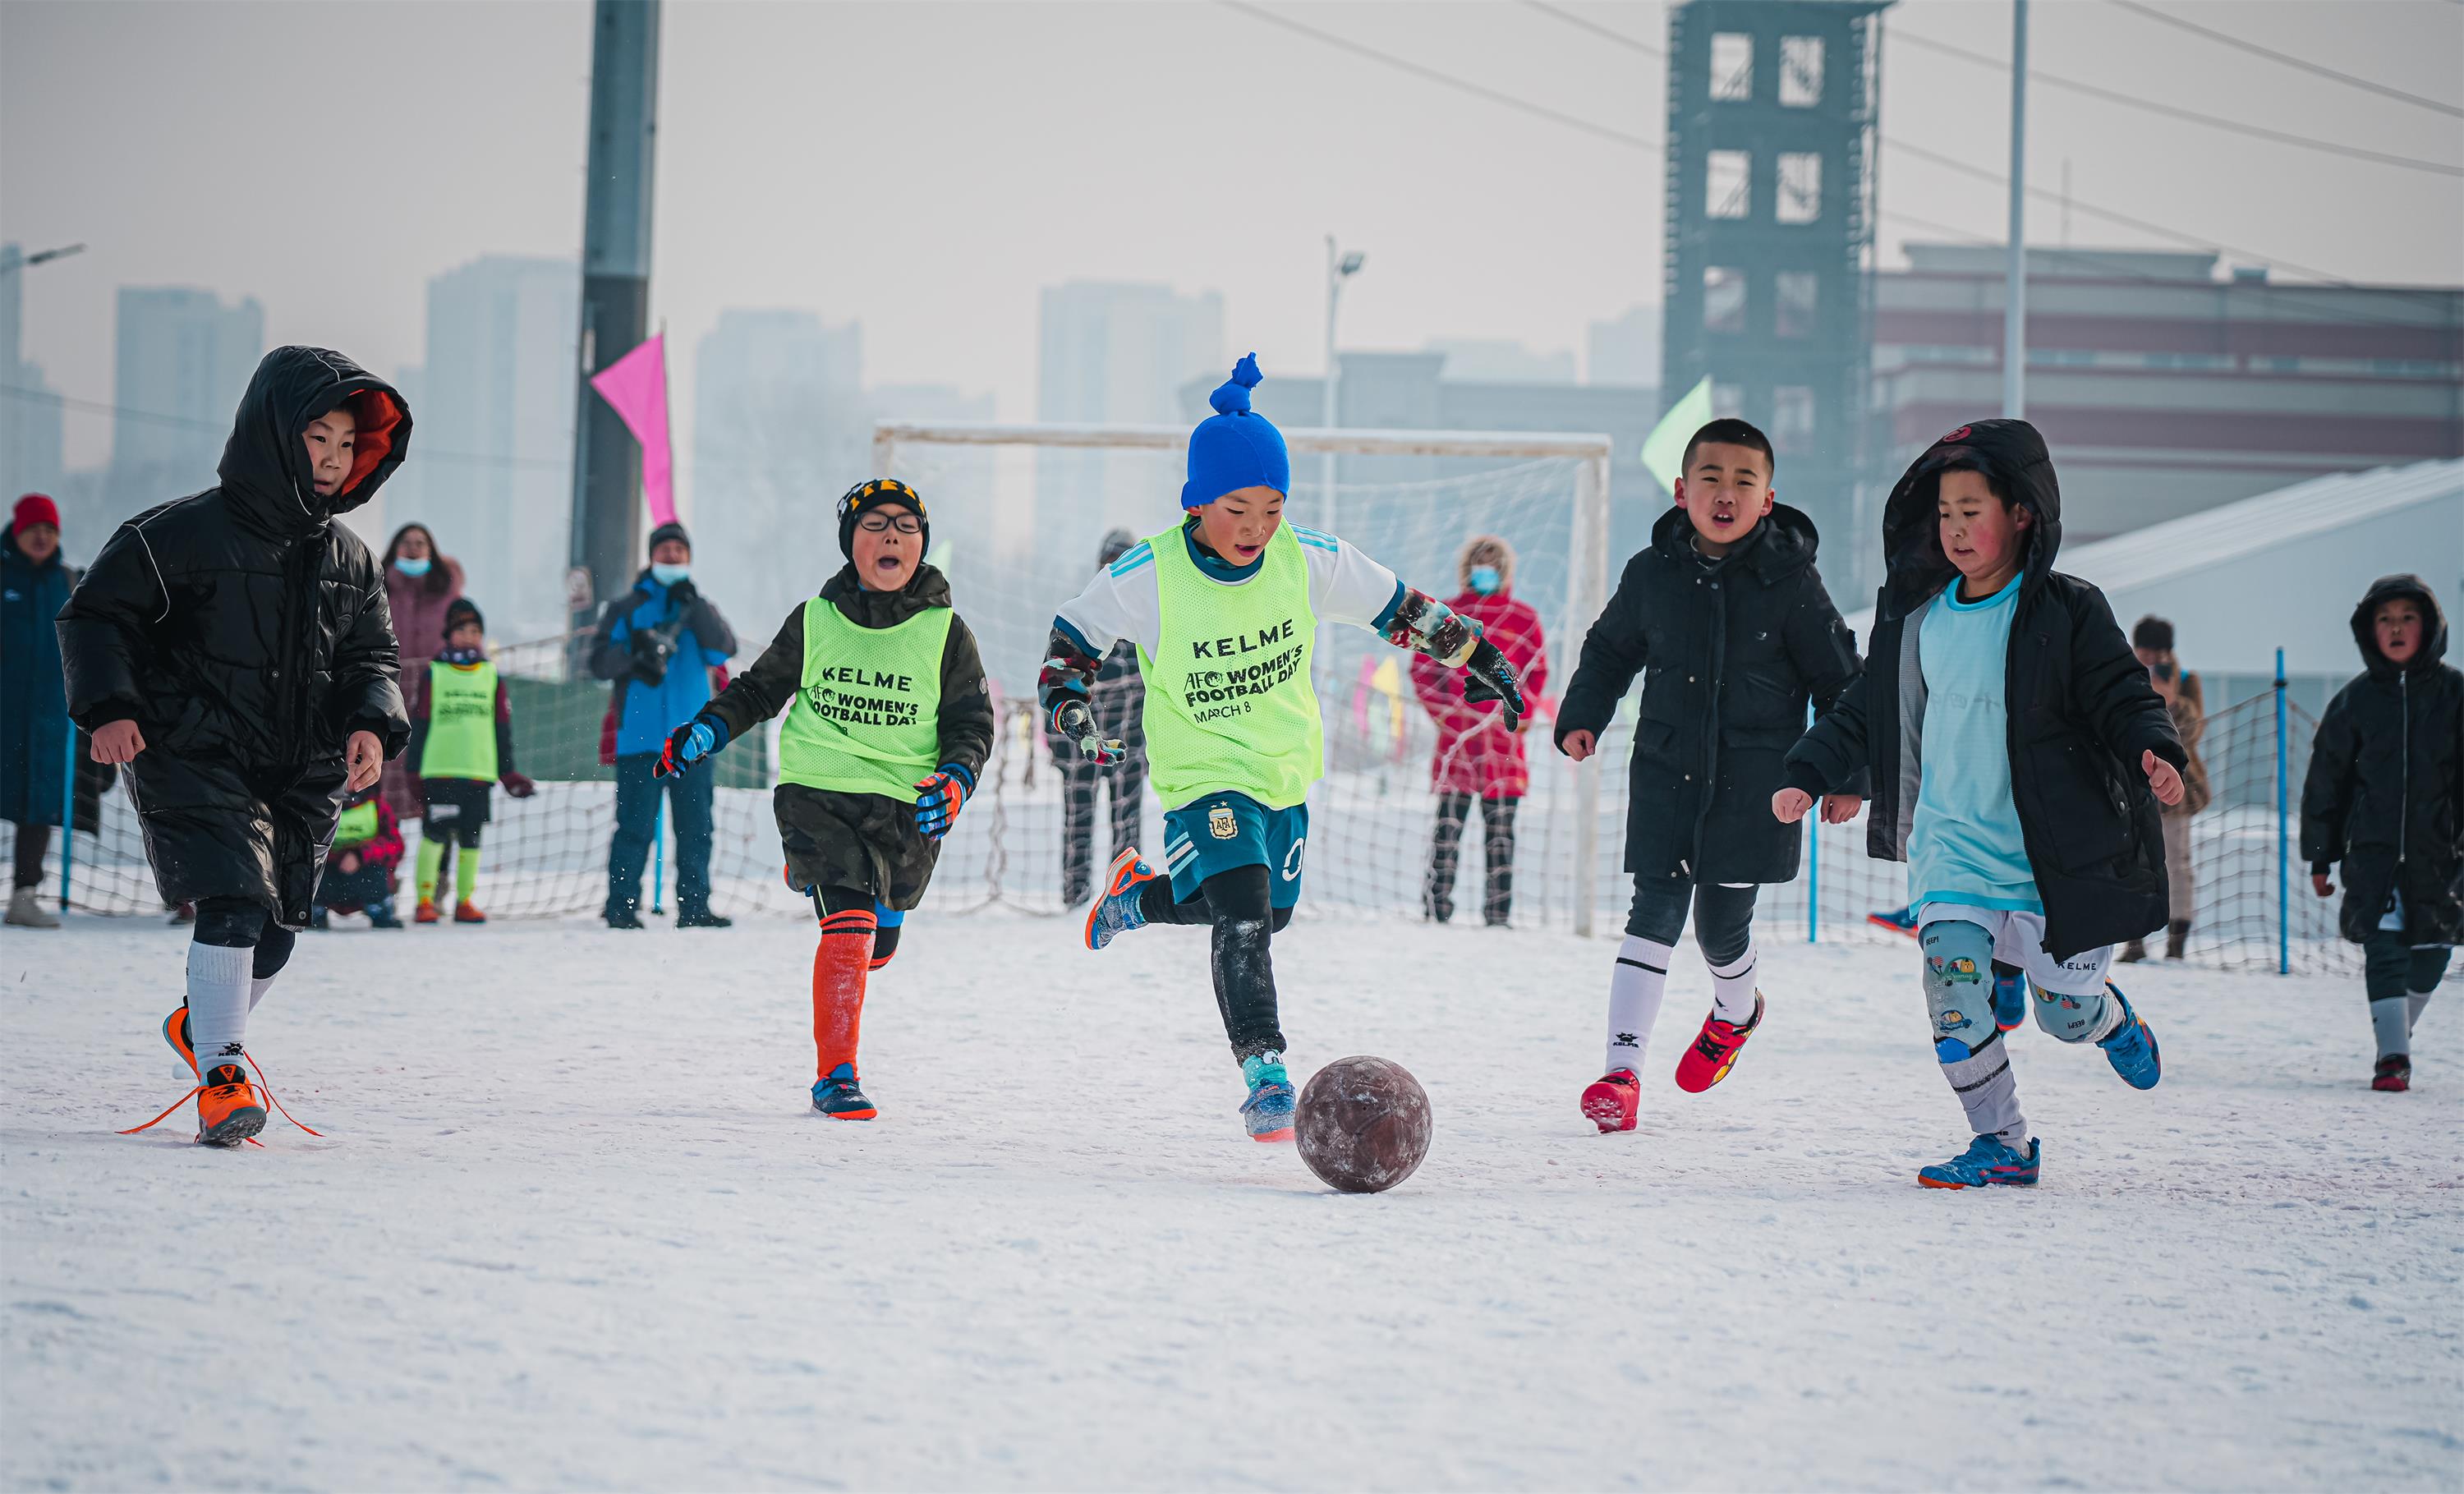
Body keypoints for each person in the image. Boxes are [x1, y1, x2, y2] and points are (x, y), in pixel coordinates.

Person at [1049, 356, 1528, 1142]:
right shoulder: (1150, 575)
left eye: (1272, 507)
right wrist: (1066, 699)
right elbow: (1074, 635)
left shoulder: (1306, 559)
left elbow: (1400, 608)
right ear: (1197, 501)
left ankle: (1137, 896)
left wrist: (1479, 654)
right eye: (1237, 508)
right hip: (1203, 773)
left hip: (1283, 768)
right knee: (1240, 916)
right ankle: (1264, 1073)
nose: (1256, 527)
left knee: (1268, 914)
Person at [1773, 418, 2185, 1188]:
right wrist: (1811, 770)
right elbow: (1863, 710)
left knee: (2063, 1017)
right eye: (1945, 513)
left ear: (2022, 514)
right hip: (1951, 853)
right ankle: (2003, 1141)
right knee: (1954, 1003)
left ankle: (2108, 1017)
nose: (1956, 528)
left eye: (1973, 510)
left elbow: (2122, 694)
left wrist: (2152, 749)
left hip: (2050, 865)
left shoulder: (2067, 611)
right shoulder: (1917, 618)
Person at [58, 346, 411, 1147]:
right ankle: (222, 1071)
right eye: (316, 436)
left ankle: (202, 1024)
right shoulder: (174, 534)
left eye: (346, 444)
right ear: (273, 433)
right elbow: (93, 616)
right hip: (194, 750)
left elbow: (372, 660)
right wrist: (110, 706)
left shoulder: (353, 558)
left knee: (280, 925)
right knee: (235, 902)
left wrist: (368, 723)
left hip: (304, 768)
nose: (331, 457)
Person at [1552, 419, 1862, 1133]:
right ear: (1681, 489)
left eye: (1743, 481)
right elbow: (1607, 651)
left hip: (1757, 786)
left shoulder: (1793, 583)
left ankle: (1736, 1009)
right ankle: (1621, 1073)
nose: (1725, 493)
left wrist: (1845, 771)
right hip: (1665, 770)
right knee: (1652, 911)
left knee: (1721, 926)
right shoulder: (1650, 571)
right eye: (1711, 479)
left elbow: (1841, 681)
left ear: (1769, 499)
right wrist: (1585, 714)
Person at [655, 479, 994, 1118]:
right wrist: (708, 728)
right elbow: (759, 690)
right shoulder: (814, 618)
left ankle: (830, 885)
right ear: (850, 544)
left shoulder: (949, 633)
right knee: (850, 924)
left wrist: (955, 780)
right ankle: (836, 1074)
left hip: (905, 800)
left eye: (905, 525)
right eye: (874, 525)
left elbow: (972, 725)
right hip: (819, 787)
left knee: (880, 943)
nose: (891, 534)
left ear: (921, 545)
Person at [2301, 575, 2462, 1094]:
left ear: (2430, 627)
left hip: (2442, 855)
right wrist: (2321, 858)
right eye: (2385, 619)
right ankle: (2392, 1057)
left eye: (2407, 618)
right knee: (2386, 948)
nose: (2395, 628)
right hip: (2373, 855)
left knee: (2432, 952)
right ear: (2369, 631)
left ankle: (2397, 1030)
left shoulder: (2457, 696)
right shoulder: (2354, 702)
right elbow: (2327, 783)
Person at [589, 520, 738, 929]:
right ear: (652, 556)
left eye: (679, 551)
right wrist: (634, 653)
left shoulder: (698, 607)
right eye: (665, 550)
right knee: (634, 827)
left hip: (692, 739)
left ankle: (694, 907)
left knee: (696, 829)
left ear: (689, 558)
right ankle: (621, 905)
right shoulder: (627, 608)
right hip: (639, 737)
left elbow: (723, 649)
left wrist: (698, 607)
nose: (672, 556)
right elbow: (599, 662)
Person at [1414, 535, 1548, 927]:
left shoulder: (1524, 618)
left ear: (1505, 569)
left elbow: (1536, 673)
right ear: (1468, 567)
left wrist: (1524, 713)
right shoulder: (1449, 614)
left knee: (1502, 830)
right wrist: (1445, 716)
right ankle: (1436, 909)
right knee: (1447, 828)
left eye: (1493, 562)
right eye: (1480, 562)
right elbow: (1422, 670)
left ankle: (1498, 913)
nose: (1486, 568)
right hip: (1456, 741)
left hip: (1504, 743)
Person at [406, 598, 536, 924]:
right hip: (440, 771)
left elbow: (501, 729)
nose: (469, 635)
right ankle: (424, 900)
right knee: (434, 835)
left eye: (475, 630)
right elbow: (420, 724)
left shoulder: (492, 675)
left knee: (471, 839)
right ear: (449, 633)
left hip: (479, 772)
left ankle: (465, 900)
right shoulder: (434, 673)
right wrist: (413, 768)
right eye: (462, 629)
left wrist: (507, 772)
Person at [1046, 528, 1149, 908]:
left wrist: (1150, 744)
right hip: (1080, 749)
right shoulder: (1080, 616)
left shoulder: (1146, 624)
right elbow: (1055, 677)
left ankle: (1127, 897)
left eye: (1123, 562)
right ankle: (1075, 896)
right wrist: (1059, 744)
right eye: (1110, 563)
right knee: (1079, 823)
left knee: (1128, 826)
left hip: (1130, 746)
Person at [3, 494, 80, 928]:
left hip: (49, 719)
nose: (41, 536)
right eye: (34, 528)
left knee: (39, 806)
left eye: (49, 530)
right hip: (4, 716)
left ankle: (25, 894)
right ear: (18, 531)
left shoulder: (67, 582)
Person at [2119, 615, 2209, 962]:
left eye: (2158, 653)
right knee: (2131, 861)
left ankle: (2177, 940)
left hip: (2177, 793)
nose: (2151, 659)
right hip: (2130, 785)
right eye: (2145, 651)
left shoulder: (2187, 682)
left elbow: (2192, 731)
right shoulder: (2123, 675)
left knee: (2177, 861)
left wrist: (2171, 700)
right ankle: (2134, 941)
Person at [377, 522, 464, 836]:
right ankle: (386, 865)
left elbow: (464, 635)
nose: (413, 547)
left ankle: (437, 871)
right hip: (386, 695)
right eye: (406, 541)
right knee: (383, 781)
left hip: (435, 699)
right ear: (394, 548)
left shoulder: (447, 591)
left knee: (436, 782)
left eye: (421, 542)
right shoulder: (377, 586)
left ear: (432, 550)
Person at [311, 784, 405, 930]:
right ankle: (313, 910)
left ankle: (378, 907)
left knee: (376, 866)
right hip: (328, 875)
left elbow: (395, 846)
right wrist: (340, 856)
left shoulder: (376, 805)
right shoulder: (318, 805)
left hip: (367, 876)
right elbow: (305, 845)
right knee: (311, 865)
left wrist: (360, 855)